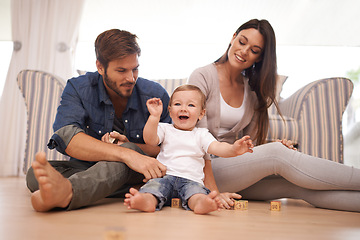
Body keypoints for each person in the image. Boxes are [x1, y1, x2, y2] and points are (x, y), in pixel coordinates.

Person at [187, 19, 360, 212]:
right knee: (277, 154)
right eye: (242, 42)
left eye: (254, 50)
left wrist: (271, 150)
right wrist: (212, 191)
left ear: (259, 58)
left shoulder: (251, 92)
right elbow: (196, 140)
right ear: (233, 38)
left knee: (296, 186)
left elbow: (249, 147)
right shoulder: (201, 76)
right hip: (200, 172)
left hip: (230, 170)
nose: (244, 51)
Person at [26, 29, 172, 212]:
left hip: (141, 172)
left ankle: (68, 192)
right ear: (100, 67)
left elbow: (172, 148)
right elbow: (69, 138)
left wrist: (132, 149)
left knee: (132, 149)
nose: (131, 78)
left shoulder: (155, 94)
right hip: (90, 167)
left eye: (135, 69)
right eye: (121, 70)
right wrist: (126, 155)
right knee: (35, 176)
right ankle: (122, 189)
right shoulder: (78, 88)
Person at [124, 85, 254, 214]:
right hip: (165, 177)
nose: (183, 109)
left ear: (201, 114)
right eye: (177, 104)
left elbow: (218, 148)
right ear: (169, 111)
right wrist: (154, 117)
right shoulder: (165, 129)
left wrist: (234, 149)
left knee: (197, 194)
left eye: (191, 105)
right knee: (153, 189)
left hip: (191, 181)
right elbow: (150, 140)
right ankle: (146, 201)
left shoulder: (202, 134)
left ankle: (202, 204)